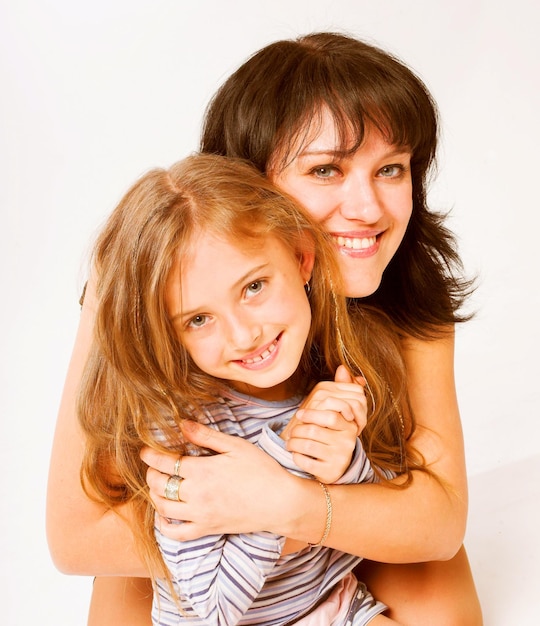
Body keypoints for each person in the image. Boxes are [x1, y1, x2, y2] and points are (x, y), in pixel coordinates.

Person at [46, 32, 482, 625]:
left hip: (323, 515)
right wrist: (248, 519)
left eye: (392, 169)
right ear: (248, 184)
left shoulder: (407, 288)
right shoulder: (147, 281)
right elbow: (77, 538)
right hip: (195, 545)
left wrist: (291, 503)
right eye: (326, 169)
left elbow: (439, 521)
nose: (369, 208)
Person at [76, 153, 419, 624]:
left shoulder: (326, 367)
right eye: (198, 319)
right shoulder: (183, 433)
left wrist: (344, 460)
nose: (243, 335)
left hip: (329, 606)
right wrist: (285, 468)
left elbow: (356, 531)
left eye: (254, 287)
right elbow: (215, 606)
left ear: (302, 258)